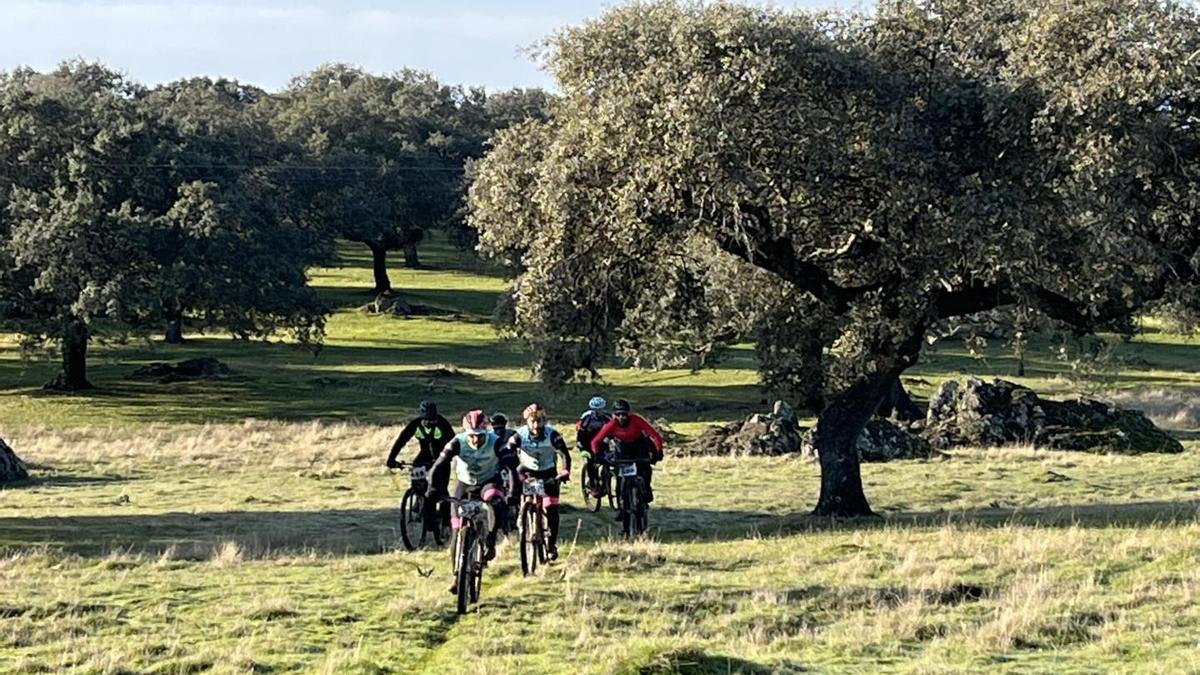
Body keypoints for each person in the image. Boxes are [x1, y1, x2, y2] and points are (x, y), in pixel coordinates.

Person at [427, 410, 511, 594]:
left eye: (480, 436)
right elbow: (438, 465)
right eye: (472, 436)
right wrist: (432, 489)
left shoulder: (495, 441)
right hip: (465, 485)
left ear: (486, 432)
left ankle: (490, 541)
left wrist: (512, 486)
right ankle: (456, 576)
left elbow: (511, 463)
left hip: (489, 481)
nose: (475, 440)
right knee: (456, 532)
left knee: (493, 499)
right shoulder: (458, 442)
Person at [506, 403, 571, 560]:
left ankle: (551, 545)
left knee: (552, 509)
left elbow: (564, 455)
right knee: (514, 489)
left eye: (539, 421)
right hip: (527, 470)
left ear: (544, 420)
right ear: (527, 421)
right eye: (532, 422)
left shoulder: (553, 435)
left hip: (548, 473)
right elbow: (507, 452)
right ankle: (522, 513)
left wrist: (565, 471)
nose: (536, 426)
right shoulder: (519, 435)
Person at [385, 401, 455, 514]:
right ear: (422, 418)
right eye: (427, 420)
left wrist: (449, 456)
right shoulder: (415, 424)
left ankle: (446, 517)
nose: (431, 422)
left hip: (442, 457)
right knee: (417, 473)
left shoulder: (442, 423)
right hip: (425, 455)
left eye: (433, 420)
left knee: (440, 489)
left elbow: (454, 442)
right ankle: (419, 497)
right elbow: (401, 440)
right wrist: (391, 458)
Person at [590, 399, 663, 502]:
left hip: (639, 446)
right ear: (614, 415)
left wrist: (659, 451)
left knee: (645, 469)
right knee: (620, 477)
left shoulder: (637, 420)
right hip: (622, 448)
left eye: (624, 414)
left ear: (628, 414)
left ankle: (646, 488)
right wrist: (597, 454)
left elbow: (654, 435)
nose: (621, 417)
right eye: (618, 414)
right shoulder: (611, 424)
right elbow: (595, 441)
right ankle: (621, 502)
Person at [575, 396, 612, 497]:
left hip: (603, 442)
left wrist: (610, 439)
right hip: (587, 442)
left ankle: (605, 480)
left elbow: (614, 429)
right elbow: (581, 432)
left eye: (600, 410)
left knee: (607, 460)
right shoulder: (586, 418)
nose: (598, 412)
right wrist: (580, 445)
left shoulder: (608, 417)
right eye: (595, 410)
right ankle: (592, 484)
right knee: (591, 462)